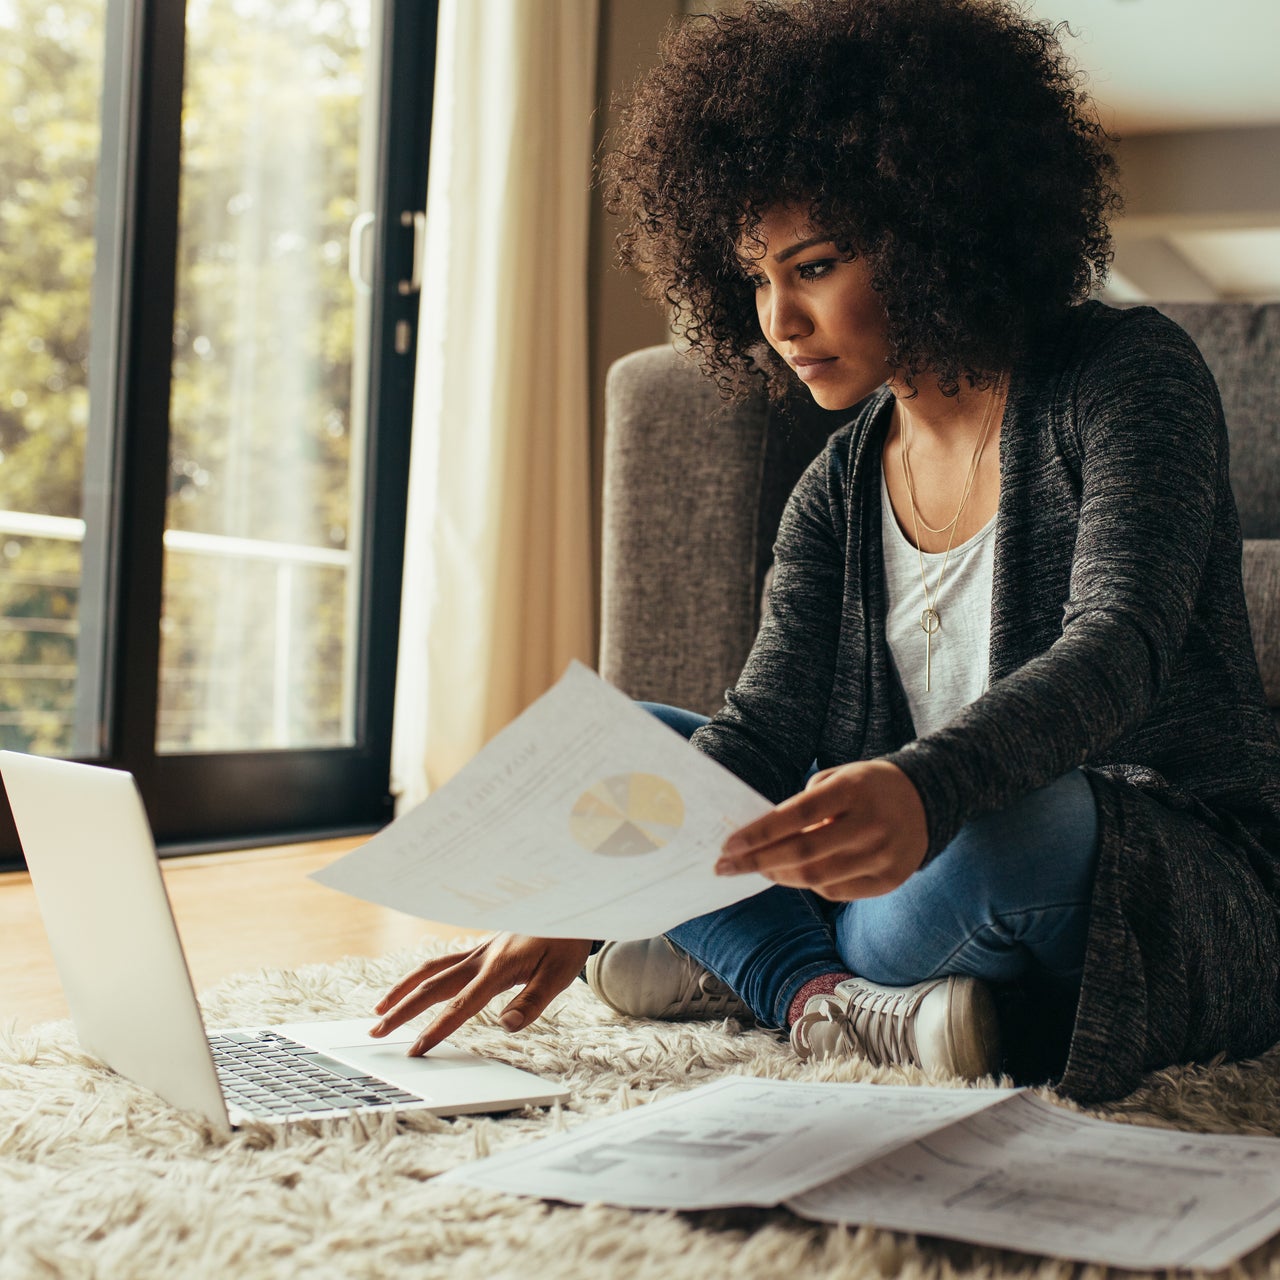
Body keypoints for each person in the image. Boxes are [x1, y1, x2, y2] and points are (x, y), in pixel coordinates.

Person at [372, 0, 1280, 1103]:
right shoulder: (836, 483)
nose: (778, 319)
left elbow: (1117, 646)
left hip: (1144, 866)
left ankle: (745, 950)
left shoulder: (1124, 375)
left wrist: (922, 786)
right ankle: (825, 1000)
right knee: (643, 756)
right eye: (754, 277)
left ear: (932, 225)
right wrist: (577, 896)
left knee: (1008, 828)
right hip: (898, 874)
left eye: (811, 265)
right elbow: (756, 740)